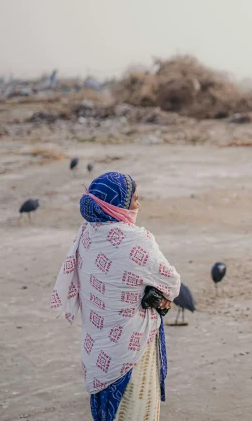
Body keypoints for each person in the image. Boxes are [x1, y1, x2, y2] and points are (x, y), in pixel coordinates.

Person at [51, 172, 181, 421]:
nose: (138, 204)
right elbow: (171, 282)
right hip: (131, 346)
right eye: (134, 199)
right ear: (116, 204)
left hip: (97, 349)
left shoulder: (87, 234)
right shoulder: (136, 239)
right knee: (134, 408)